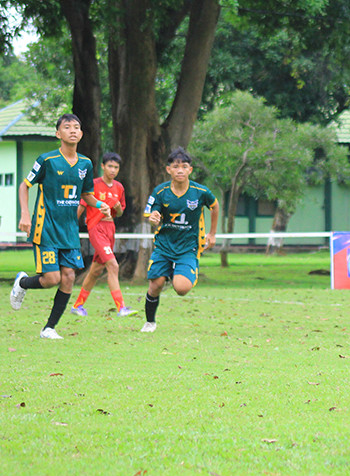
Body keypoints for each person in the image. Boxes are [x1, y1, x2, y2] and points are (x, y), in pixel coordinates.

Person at [10, 114, 111, 339]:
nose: (73, 131)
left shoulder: (86, 164)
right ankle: (23, 282)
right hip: (45, 227)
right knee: (51, 279)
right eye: (67, 127)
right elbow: (24, 186)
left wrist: (101, 204)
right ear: (58, 134)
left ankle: (49, 328)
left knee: (68, 277)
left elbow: (87, 195)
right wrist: (25, 214)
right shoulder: (47, 160)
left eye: (77, 127)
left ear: (81, 134)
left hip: (69, 230)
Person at [141, 147, 218, 333]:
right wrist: (152, 217)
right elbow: (150, 212)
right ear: (169, 170)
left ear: (190, 170)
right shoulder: (160, 191)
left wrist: (212, 234)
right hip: (164, 246)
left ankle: (177, 274)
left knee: (182, 289)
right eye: (176, 167)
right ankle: (150, 322)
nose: (180, 170)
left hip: (188, 247)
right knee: (155, 285)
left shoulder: (200, 192)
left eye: (184, 166)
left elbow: (214, 207)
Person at [71, 152, 138, 318]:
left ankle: (77, 305)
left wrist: (118, 207)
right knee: (113, 266)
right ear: (103, 166)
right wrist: (71, 225)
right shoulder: (92, 184)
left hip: (110, 229)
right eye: (110, 166)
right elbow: (81, 206)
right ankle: (121, 307)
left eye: (116, 167)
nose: (113, 170)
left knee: (95, 271)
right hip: (96, 229)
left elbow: (120, 212)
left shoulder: (119, 187)